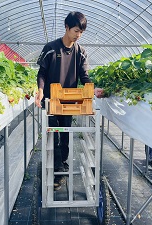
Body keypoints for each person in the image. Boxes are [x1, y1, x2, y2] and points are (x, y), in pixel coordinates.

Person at [35, 11, 103, 190]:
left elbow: (84, 76)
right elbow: (41, 73)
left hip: (69, 102)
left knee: (65, 135)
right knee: (53, 134)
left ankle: (61, 164)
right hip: (51, 101)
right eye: (75, 31)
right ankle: (57, 168)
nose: (78, 35)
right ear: (66, 27)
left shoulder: (81, 52)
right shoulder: (51, 48)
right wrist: (40, 91)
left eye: (81, 32)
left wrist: (93, 89)